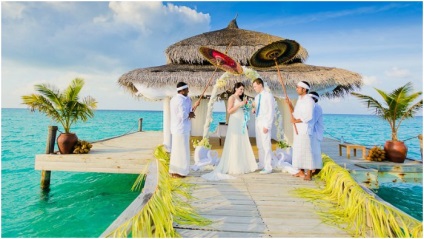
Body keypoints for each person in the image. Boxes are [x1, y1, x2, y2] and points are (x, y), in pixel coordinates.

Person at [202, 82, 258, 181]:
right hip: (235, 121)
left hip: (241, 121)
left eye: (243, 89)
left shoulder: (240, 98)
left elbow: (241, 109)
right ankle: (234, 165)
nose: (242, 91)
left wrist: (246, 107)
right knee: (235, 141)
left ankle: (242, 163)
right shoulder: (232, 97)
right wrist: (239, 105)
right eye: (240, 89)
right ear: (236, 88)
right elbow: (229, 111)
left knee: (241, 142)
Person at [169, 82, 200, 178]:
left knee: (178, 150)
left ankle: (175, 171)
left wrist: (194, 106)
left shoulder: (182, 99)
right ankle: (180, 172)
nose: (188, 91)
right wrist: (190, 114)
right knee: (181, 151)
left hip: (181, 128)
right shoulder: (179, 100)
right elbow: (183, 115)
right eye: (187, 89)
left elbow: (187, 111)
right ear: (182, 91)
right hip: (180, 129)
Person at [286, 81, 315, 181]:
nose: (296, 89)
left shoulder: (309, 100)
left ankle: (309, 173)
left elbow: (309, 116)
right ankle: (301, 171)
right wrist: (289, 104)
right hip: (298, 129)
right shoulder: (300, 100)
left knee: (306, 150)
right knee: (299, 150)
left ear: (304, 89)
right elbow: (295, 113)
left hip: (305, 129)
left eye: (298, 87)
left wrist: (296, 120)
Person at [252, 78, 275, 174]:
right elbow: (258, 109)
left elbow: (271, 111)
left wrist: (268, 125)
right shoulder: (257, 97)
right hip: (258, 122)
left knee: (266, 145)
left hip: (265, 123)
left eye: (255, 86)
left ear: (260, 85)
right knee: (260, 144)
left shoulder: (268, 96)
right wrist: (254, 110)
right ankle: (261, 163)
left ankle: (268, 166)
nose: (254, 88)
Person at [309, 91, 324, 175]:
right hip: (313, 132)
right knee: (313, 150)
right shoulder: (313, 107)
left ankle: (316, 169)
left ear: (314, 99)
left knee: (314, 151)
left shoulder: (316, 107)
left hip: (315, 132)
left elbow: (312, 120)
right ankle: (313, 168)